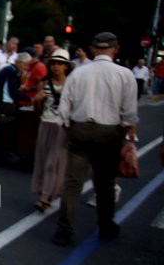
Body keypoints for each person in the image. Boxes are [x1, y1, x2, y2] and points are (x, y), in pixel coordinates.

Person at [53, 32, 139, 246]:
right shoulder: (125, 74)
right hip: (109, 132)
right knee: (105, 183)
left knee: (73, 183)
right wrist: (128, 135)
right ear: (115, 49)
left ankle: (65, 230)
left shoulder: (78, 73)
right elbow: (129, 112)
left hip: (80, 129)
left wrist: (68, 128)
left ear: (92, 49)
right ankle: (106, 225)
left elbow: (64, 106)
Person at [30, 49, 72, 213]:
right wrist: (37, 100)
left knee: (53, 163)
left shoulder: (71, 84)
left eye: (60, 63)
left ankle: (45, 196)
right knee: (42, 159)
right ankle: (45, 191)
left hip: (61, 126)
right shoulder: (45, 84)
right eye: (53, 63)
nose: (56, 67)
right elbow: (38, 109)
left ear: (66, 66)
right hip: (45, 123)